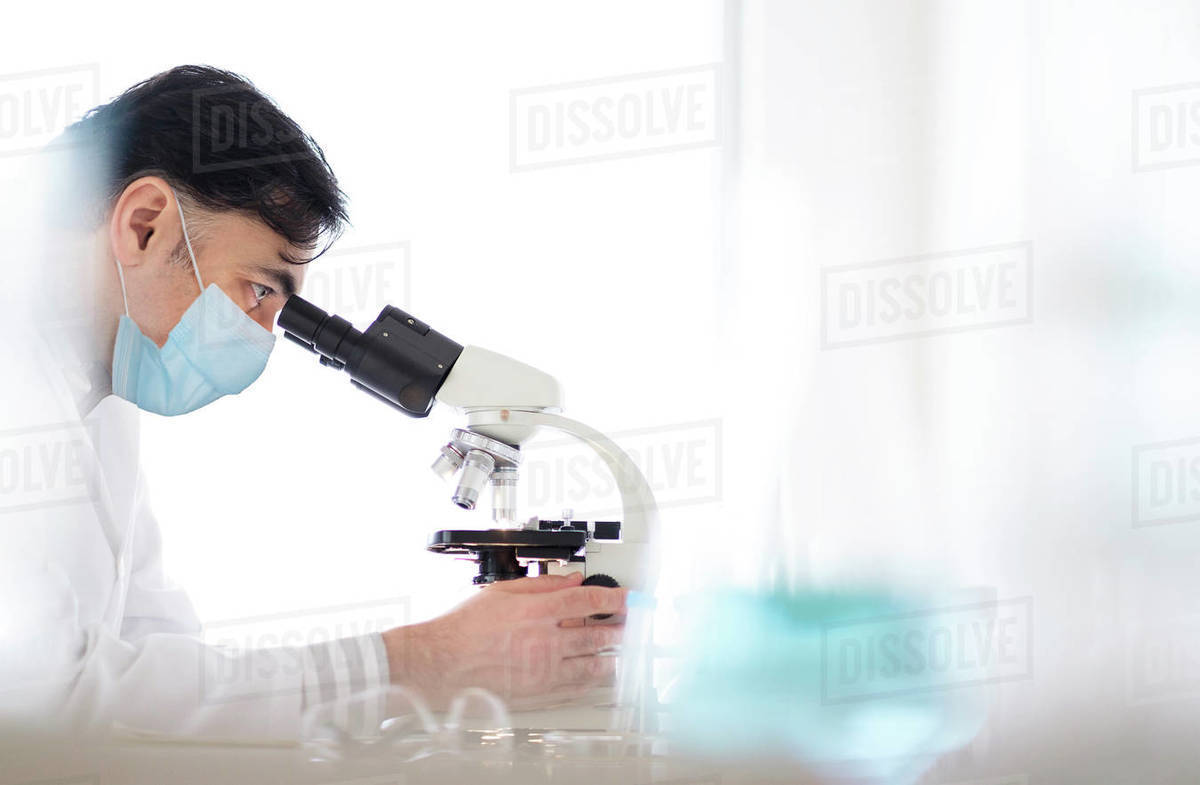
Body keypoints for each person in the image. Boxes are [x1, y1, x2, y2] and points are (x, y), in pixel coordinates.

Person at [0, 65, 625, 739]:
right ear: (145, 224)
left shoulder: (100, 399)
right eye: (258, 291)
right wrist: (420, 663)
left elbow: (163, 659)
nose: (262, 337)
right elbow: (44, 691)